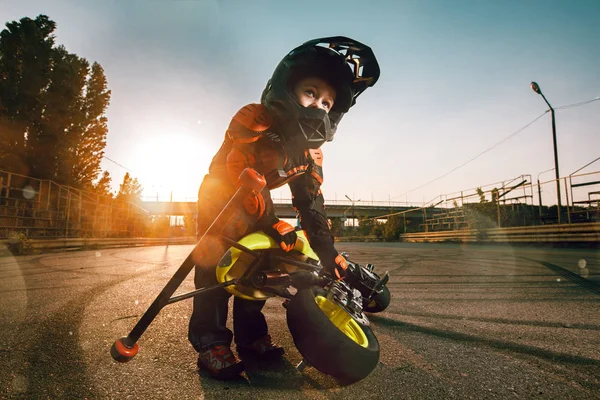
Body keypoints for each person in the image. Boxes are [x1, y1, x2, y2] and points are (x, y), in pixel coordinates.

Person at [188, 36, 380, 379]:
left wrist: (329, 253)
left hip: (257, 199)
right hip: (221, 194)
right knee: (216, 264)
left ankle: (252, 338)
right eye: (311, 92)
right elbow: (236, 177)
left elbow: (310, 206)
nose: (318, 105)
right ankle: (210, 342)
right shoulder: (254, 120)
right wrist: (270, 220)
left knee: (266, 260)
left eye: (326, 102)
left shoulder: (311, 155)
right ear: (286, 87)